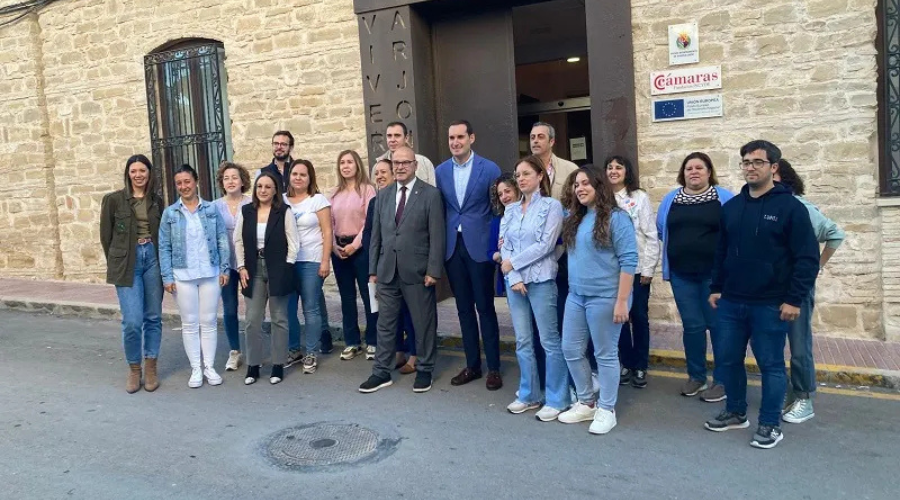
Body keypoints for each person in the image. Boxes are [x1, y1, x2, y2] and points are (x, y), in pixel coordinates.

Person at [704, 140, 819, 450]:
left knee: (770, 365)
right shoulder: (732, 208)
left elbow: (807, 258)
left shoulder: (790, 208)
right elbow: (721, 252)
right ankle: (736, 412)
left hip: (770, 304)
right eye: (746, 162)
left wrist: (794, 299)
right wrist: (716, 287)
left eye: (757, 162)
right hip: (731, 302)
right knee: (727, 360)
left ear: (773, 168)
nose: (750, 167)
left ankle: (769, 423)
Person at [557, 166, 637, 435]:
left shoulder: (617, 218)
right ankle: (587, 401)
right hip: (576, 296)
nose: (579, 188)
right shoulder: (576, 218)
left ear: (599, 186)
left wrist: (622, 301)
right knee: (570, 349)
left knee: (605, 354)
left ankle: (607, 409)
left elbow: (629, 261)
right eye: (575, 184)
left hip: (606, 297)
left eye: (585, 183)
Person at [359, 146, 446, 394]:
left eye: (405, 163)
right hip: (387, 271)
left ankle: (426, 369)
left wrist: (433, 270)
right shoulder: (383, 195)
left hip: (418, 271)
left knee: (423, 323)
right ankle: (381, 372)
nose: (399, 167)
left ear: (415, 165)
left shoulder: (430, 195)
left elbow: (437, 236)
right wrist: (373, 270)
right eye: (395, 163)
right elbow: (376, 236)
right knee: (385, 324)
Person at [656, 152, 734, 402]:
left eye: (699, 167)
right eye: (689, 168)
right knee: (692, 326)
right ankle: (697, 377)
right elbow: (661, 229)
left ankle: (722, 381)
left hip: (715, 277)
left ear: (709, 172)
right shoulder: (671, 199)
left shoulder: (724, 198)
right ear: (683, 173)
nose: (694, 172)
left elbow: (735, 230)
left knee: (718, 327)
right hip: (682, 275)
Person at [774, 159, 845, 424]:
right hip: (769, 289)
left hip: (796, 289)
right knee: (771, 343)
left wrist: (817, 267)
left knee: (799, 344)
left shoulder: (802, 208)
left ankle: (804, 397)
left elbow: (836, 234)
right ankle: (787, 393)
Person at [435, 120, 503, 390]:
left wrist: (498, 246)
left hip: (480, 246)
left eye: (460, 137)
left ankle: (494, 368)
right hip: (453, 247)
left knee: (485, 307)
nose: (455, 142)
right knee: (463, 309)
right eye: (451, 137)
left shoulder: (490, 168)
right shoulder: (440, 171)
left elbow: (498, 209)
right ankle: (472, 365)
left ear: (471, 138)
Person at [500, 157, 569, 421]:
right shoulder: (511, 210)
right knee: (523, 341)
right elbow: (504, 243)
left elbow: (546, 245)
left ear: (540, 176)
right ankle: (529, 394)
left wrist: (512, 264)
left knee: (549, 340)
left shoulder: (552, 207)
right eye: (517, 175)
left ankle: (557, 398)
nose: (521, 179)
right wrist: (514, 274)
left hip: (541, 281)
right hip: (515, 283)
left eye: (526, 173)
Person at [158, 165, 231, 388]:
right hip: (182, 275)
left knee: (208, 321)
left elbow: (221, 238)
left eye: (187, 181)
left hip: (210, 273)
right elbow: (164, 246)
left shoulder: (210, 209)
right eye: (179, 183)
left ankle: (209, 366)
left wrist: (224, 268)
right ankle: (196, 369)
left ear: (196, 181)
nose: (184, 186)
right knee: (189, 323)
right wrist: (167, 276)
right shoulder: (170, 213)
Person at [100, 154, 164, 393]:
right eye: (134, 171)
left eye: (142, 171)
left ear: (149, 173)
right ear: (128, 173)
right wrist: (118, 261)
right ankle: (134, 368)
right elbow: (106, 236)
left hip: (153, 259)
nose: (138, 175)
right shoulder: (114, 200)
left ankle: (151, 367)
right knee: (132, 321)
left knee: (153, 317)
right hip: (127, 261)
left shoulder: (157, 201)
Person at [234, 172, 299, 385]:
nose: (263, 190)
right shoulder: (246, 211)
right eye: (259, 186)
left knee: (279, 318)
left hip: (278, 267)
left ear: (275, 190)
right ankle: (253, 364)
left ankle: (278, 364)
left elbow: (293, 242)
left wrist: (287, 266)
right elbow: (238, 241)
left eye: (268, 187)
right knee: (252, 319)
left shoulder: (284, 212)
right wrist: (241, 266)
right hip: (253, 269)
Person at [606, 155, 660, 389]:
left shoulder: (639, 197)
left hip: (637, 270)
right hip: (612, 271)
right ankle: (625, 362)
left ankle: (640, 365)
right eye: (609, 168)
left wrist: (648, 268)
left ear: (627, 171)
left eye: (619, 167)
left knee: (638, 316)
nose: (613, 171)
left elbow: (650, 235)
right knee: (619, 318)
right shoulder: (604, 199)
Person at [366, 159, 418, 373]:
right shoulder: (376, 202)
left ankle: (414, 354)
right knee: (389, 314)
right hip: (384, 264)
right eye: (376, 173)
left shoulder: (409, 200)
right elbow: (371, 235)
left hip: (407, 265)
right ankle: (397, 352)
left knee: (410, 313)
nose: (379, 176)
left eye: (383, 172)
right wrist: (373, 268)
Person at [284, 159, 332, 375]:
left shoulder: (318, 200)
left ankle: (311, 351)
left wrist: (325, 260)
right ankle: (294, 349)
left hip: (312, 260)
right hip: (288, 262)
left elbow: (327, 232)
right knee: (288, 308)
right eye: (295, 174)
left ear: (310, 178)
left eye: (303, 174)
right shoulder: (282, 200)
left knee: (310, 308)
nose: (298, 178)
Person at [330, 150, 378, 361]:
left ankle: (373, 341)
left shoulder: (367, 190)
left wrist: (354, 246)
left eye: (350, 162)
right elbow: (328, 223)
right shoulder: (334, 193)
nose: (346, 166)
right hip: (338, 251)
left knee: (369, 296)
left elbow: (369, 222)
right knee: (347, 298)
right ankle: (352, 342)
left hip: (360, 250)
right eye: (342, 163)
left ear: (357, 165)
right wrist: (334, 246)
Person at [213, 162, 252, 371]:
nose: (230, 181)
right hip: (226, 263)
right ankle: (235, 351)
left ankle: (255, 348)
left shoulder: (253, 202)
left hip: (249, 263)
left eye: (234, 177)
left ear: (242, 180)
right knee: (229, 308)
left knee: (253, 307)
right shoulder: (215, 206)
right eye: (226, 178)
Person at [488, 173, 522, 296]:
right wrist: (499, 253)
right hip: (509, 276)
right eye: (500, 194)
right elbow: (491, 252)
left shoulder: (532, 213)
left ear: (518, 189)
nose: (504, 197)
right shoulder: (498, 221)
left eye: (507, 191)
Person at [375, 121, 436, 185]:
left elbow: (433, 192)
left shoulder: (424, 162)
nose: (392, 140)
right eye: (389, 136)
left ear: (406, 138)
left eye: (397, 135)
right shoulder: (378, 166)